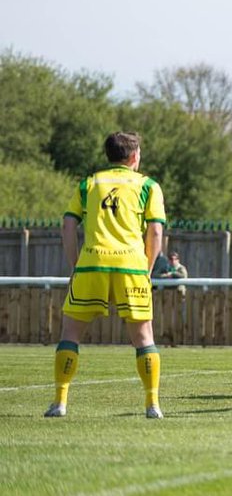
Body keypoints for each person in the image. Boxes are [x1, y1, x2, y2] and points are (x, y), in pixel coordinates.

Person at [46, 131, 166, 419]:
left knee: (71, 334)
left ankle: (60, 403)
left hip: (92, 262)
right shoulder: (148, 185)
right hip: (132, 265)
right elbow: (156, 230)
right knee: (143, 336)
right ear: (134, 156)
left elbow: (67, 224)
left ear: (108, 155)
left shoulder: (89, 183)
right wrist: (147, 270)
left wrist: (75, 265)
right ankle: (152, 405)